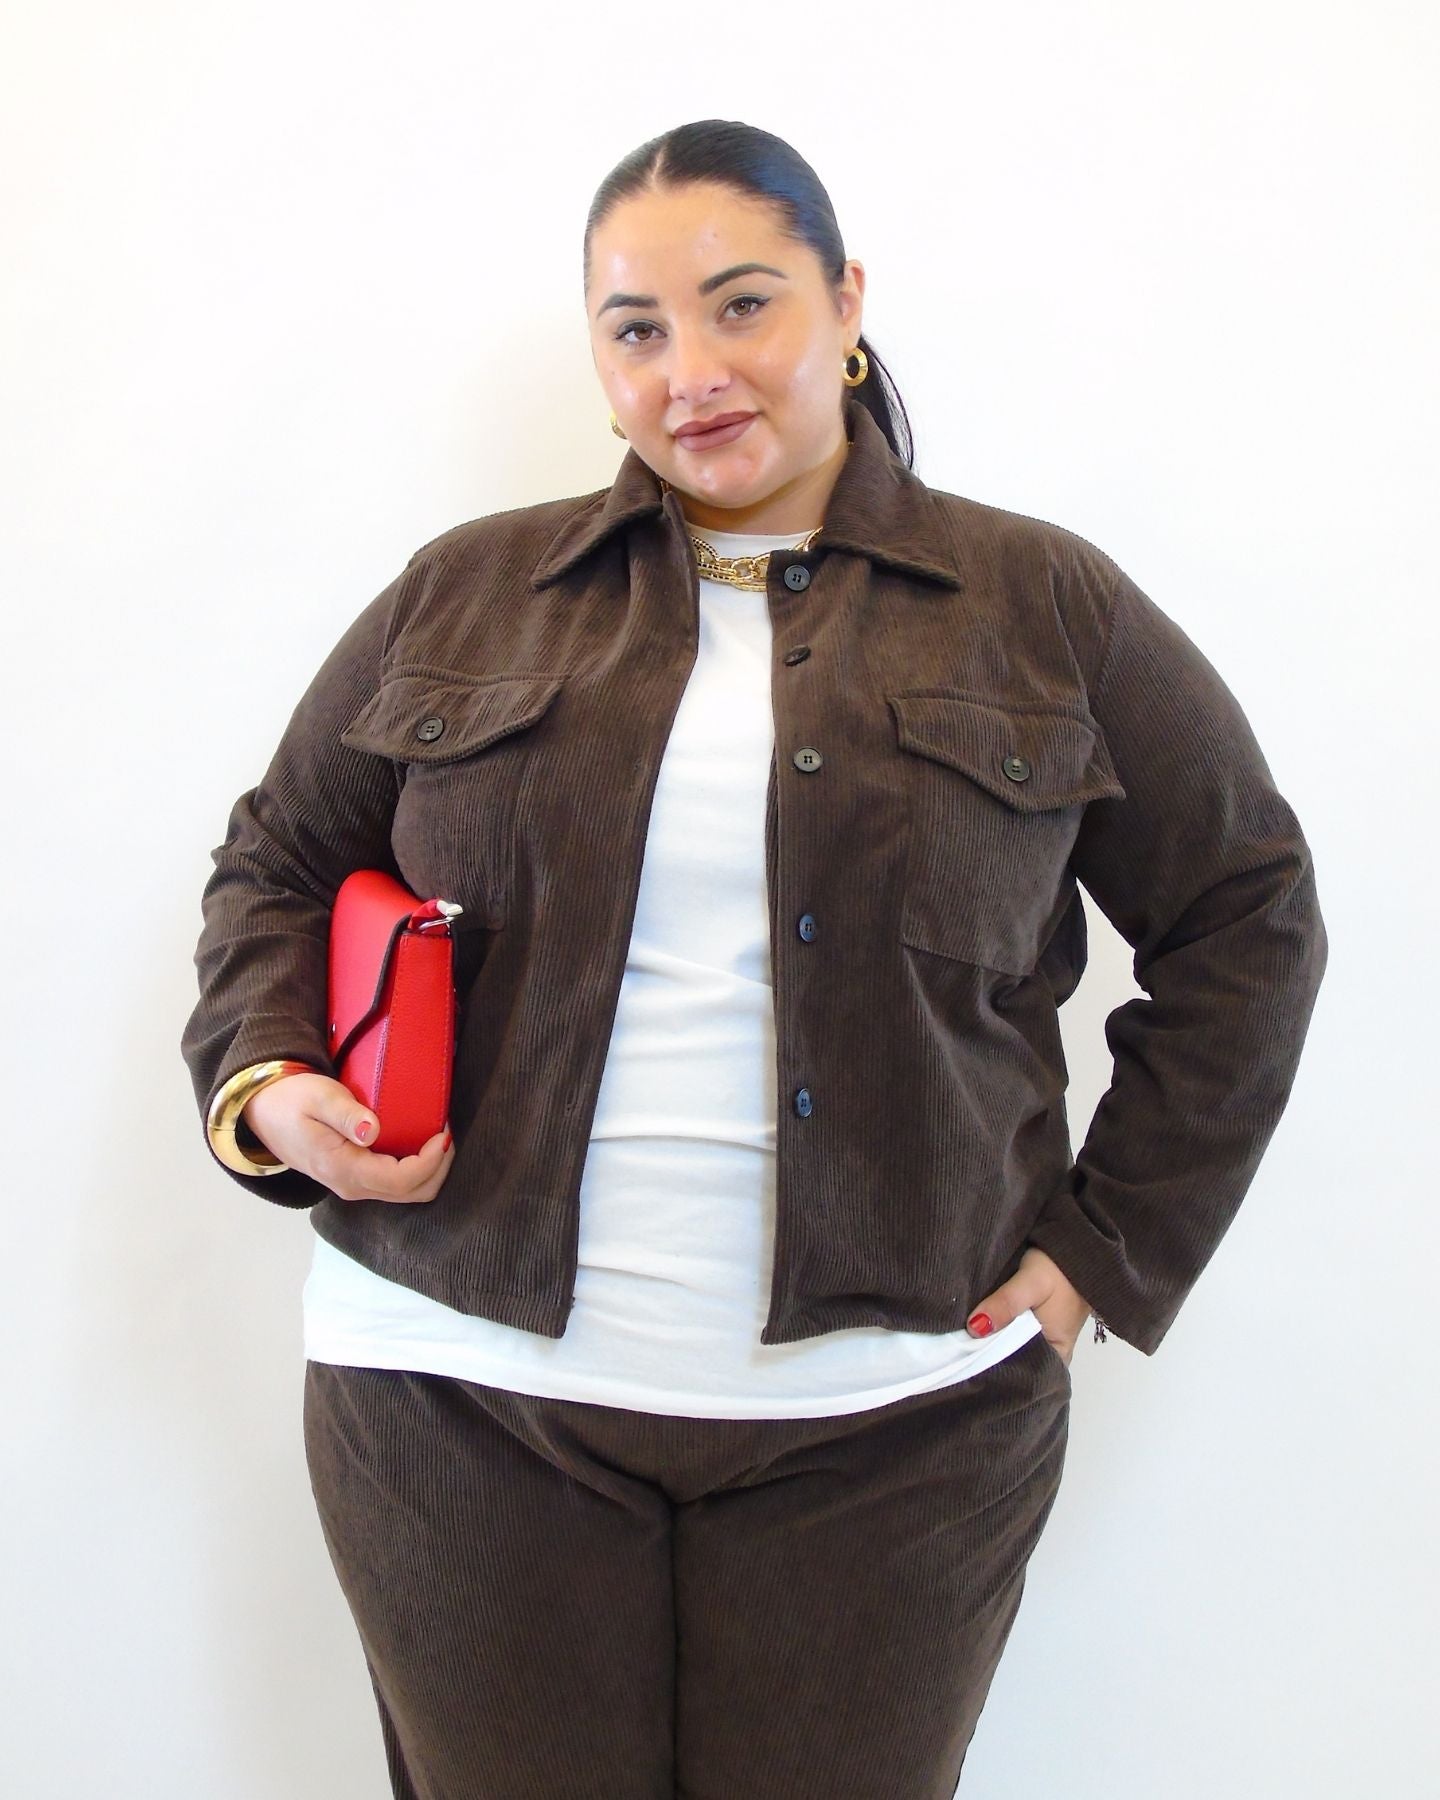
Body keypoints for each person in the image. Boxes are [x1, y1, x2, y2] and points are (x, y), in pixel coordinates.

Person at [181, 119, 1328, 1799]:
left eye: (742, 306)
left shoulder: (1044, 606)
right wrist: (269, 1082)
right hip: (459, 1398)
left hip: (898, 1432)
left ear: (845, 301)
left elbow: (1248, 912)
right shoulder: (468, 591)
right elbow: (279, 862)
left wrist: (1109, 1247)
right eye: (636, 329)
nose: (691, 373)